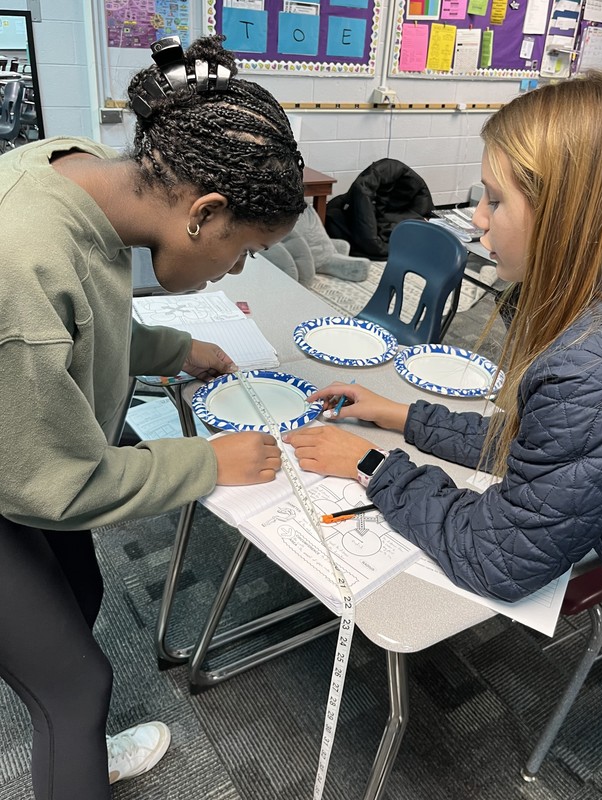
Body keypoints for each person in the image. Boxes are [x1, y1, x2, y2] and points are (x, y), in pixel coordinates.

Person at [284, 72, 602, 706]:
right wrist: (403, 415)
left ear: (566, 213)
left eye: (495, 199)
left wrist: (371, 465)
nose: (476, 218)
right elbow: (549, 445)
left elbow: (499, 557)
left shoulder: (599, 363)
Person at [0, 34, 305, 800]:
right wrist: (209, 464)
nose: (233, 269)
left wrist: (170, 345)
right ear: (205, 212)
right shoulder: (24, 261)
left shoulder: (69, 171)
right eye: (241, 251)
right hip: (18, 475)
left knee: (80, 594)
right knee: (73, 687)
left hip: (18, 438)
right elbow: (54, 483)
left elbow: (82, 322)